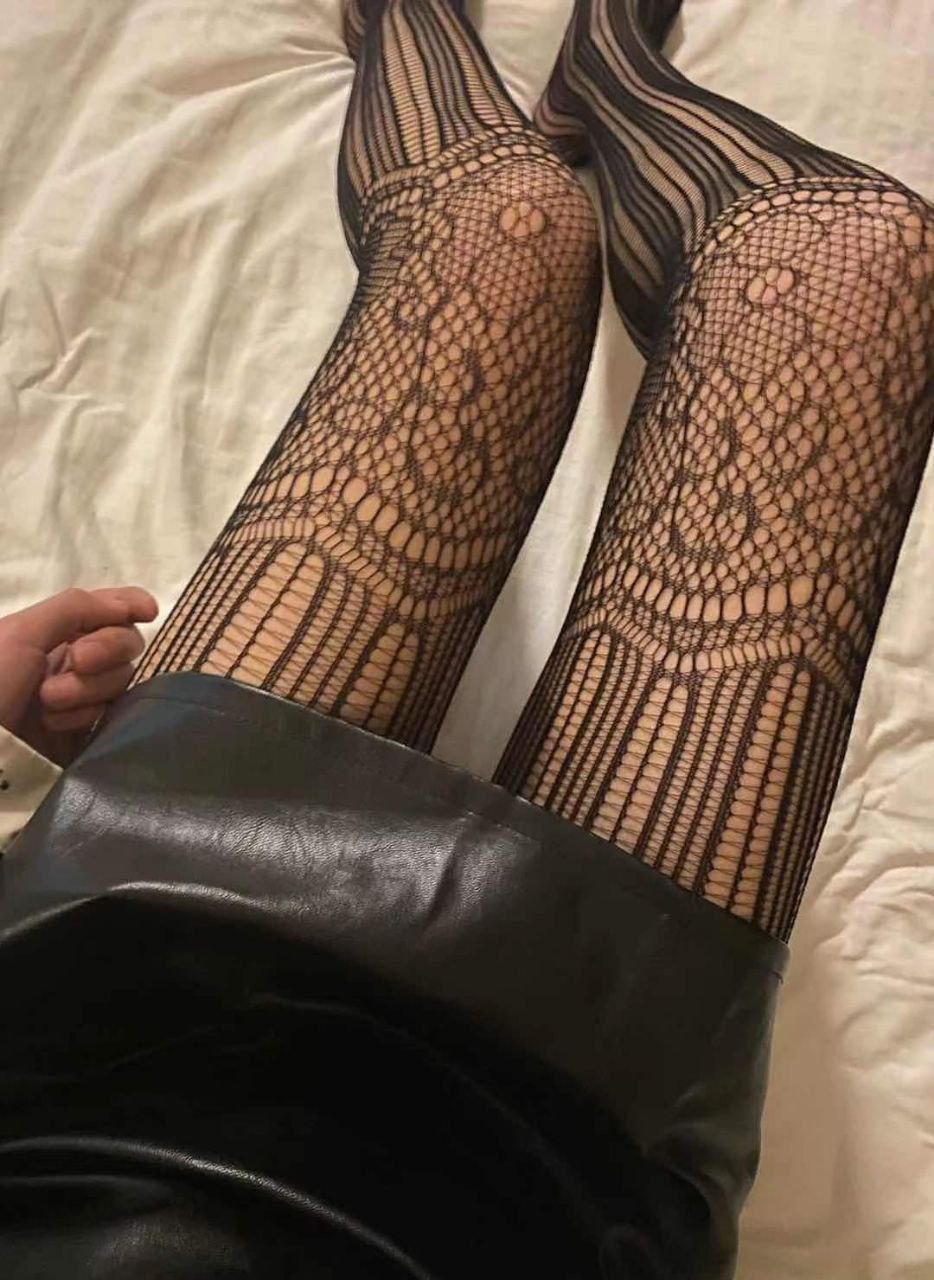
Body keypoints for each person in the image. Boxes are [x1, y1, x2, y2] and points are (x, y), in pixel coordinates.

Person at [0, 1, 930, 1276]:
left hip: (100, 1010)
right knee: (850, 258)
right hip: (576, 1165)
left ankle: (525, 46)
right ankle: (599, 64)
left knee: (508, 217)